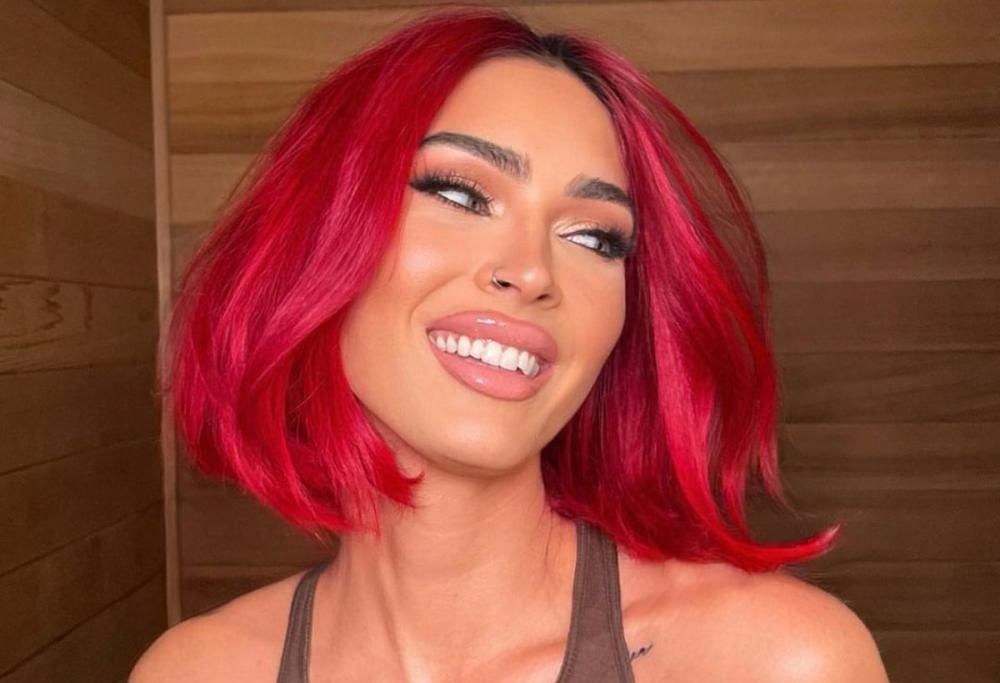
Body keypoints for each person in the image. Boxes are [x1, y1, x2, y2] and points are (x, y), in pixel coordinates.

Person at [131, 7, 890, 682]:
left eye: (594, 236)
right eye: (459, 194)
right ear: (316, 234)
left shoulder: (774, 662)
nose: (531, 272)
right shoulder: (193, 672)